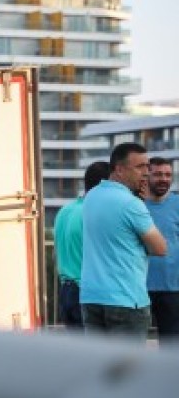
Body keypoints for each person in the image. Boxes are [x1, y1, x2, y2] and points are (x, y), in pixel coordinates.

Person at [80, 143, 168, 340]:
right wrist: (141, 205)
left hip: (91, 297)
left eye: (147, 166)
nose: (146, 173)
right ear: (119, 169)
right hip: (126, 300)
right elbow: (160, 248)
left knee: (97, 360)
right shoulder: (131, 204)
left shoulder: (91, 196)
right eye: (140, 167)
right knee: (128, 361)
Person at [52, 161, 112, 329]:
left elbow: (56, 253)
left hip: (66, 290)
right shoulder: (93, 214)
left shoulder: (65, 211)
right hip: (86, 294)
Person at [144, 157, 179, 344]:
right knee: (133, 347)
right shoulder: (135, 205)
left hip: (173, 289)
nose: (163, 179)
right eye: (158, 174)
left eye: (167, 175)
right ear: (147, 175)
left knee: (171, 346)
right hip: (139, 288)